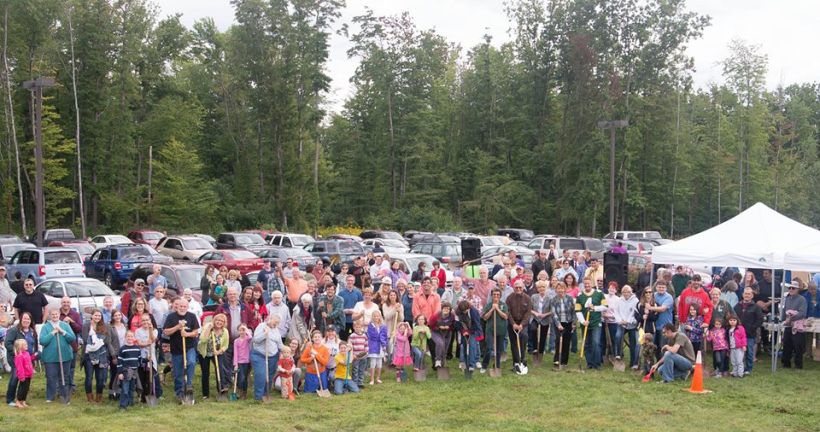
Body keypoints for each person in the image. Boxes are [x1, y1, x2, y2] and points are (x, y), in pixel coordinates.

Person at [162, 298, 200, 402]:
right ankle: (179, 393)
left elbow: (196, 332)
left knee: (191, 362)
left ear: (187, 307)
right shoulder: (171, 317)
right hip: (176, 348)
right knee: (178, 372)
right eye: (181, 306)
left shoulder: (191, 316)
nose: (182, 308)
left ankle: (189, 385)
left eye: (185, 306)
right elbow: (166, 332)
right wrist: (178, 327)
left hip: (189, 347)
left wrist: (187, 334)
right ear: (177, 306)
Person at [40, 307, 76, 402]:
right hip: (50, 358)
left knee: (64, 377)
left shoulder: (65, 325)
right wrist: (52, 333)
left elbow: (72, 338)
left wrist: (62, 332)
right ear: (49, 316)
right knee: (51, 377)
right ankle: (50, 396)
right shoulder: (45, 327)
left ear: (59, 315)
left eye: (56, 314)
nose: (55, 316)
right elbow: (42, 341)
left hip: (65, 357)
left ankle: (64, 396)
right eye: (53, 314)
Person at [81, 309, 114, 403]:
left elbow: (107, 341)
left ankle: (99, 397)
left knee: (100, 378)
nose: (97, 317)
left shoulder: (105, 326)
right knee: (89, 377)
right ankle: (90, 397)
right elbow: (85, 339)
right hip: (88, 356)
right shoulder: (86, 326)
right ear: (92, 316)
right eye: (96, 315)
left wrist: (96, 343)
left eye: (99, 316)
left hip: (101, 355)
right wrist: (98, 341)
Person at [5, 312, 36, 407]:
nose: (26, 320)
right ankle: (10, 399)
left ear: (31, 321)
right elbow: (7, 343)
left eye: (28, 319)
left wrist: (35, 354)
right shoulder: (14, 330)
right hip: (16, 359)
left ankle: (21, 398)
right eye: (24, 318)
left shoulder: (32, 331)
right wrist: (17, 352)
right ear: (21, 319)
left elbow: (34, 343)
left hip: (27, 359)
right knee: (15, 377)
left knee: (26, 379)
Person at [252, 314, 284, 401]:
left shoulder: (276, 329)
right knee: (261, 375)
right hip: (260, 355)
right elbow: (256, 340)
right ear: (270, 319)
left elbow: (279, 343)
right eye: (275, 322)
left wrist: (285, 350)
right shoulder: (261, 326)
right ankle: (258, 396)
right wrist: (265, 334)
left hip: (273, 356)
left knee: (269, 376)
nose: (276, 324)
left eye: (278, 323)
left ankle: (266, 394)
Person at [197, 313, 230, 399]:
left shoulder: (225, 331)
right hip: (204, 352)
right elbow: (203, 340)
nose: (219, 322)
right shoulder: (208, 327)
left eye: (221, 321)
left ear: (224, 323)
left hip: (217, 353)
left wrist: (219, 351)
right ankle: (205, 394)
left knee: (220, 370)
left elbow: (225, 345)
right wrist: (209, 329)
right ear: (214, 320)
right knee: (205, 373)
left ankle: (221, 389)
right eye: (217, 320)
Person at [576, 279, 606, 369]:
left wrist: (595, 308)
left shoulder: (599, 293)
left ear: (592, 284)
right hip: (585, 323)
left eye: (588, 283)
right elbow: (577, 310)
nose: (587, 285)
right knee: (587, 343)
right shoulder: (580, 295)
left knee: (596, 342)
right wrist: (582, 321)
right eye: (585, 284)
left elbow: (605, 306)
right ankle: (589, 363)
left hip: (596, 322)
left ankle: (597, 363)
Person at [733, 288, 763, 375]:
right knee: (738, 352)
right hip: (738, 334)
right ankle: (739, 368)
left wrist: (752, 328)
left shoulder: (756, 307)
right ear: (742, 295)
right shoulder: (737, 306)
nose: (747, 295)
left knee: (749, 352)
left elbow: (760, 319)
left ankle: (748, 369)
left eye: (749, 294)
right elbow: (733, 317)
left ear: (752, 296)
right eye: (745, 293)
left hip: (750, 333)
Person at [506, 280, 532, 374]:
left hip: (523, 323)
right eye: (516, 287)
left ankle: (523, 360)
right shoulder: (509, 298)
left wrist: (521, 324)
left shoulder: (527, 298)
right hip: (512, 323)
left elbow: (528, 313)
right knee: (514, 343)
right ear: (513, 288)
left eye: (520, 287)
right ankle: (516, 362)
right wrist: (513, 324)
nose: (518, 289)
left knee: (523, 338)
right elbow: (508, 312)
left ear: (523, 288)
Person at [134, 313, 161, 402]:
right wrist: (146, 343)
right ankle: (143, 396)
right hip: (142, 356)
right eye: (143, 320)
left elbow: (153, 339)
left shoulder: (155, 330)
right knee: (142, 376)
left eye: (147, 320)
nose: (145, 322)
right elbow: (138, 343)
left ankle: (153, 394)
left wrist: (150, 330)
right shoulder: (138, 331)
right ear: (141, 322)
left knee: (151, 375)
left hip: (151, 356)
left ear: (150, 320)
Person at [780, 282, 807, 369]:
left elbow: (802, 313)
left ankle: (798, 365)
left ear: (798, 289)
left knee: (798, 346)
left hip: (798, 326)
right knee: (787, 344)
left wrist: (791, 318)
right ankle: (786, 363)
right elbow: (784, 311)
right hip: (788, 325)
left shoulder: (802, 299)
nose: (791, 289)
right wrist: (782, 319)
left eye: (793, 288)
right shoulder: (787, 299)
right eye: (790, 288)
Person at [550, 282, 575, 367]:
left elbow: (573, 311)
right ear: (556, 290)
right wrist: (558, 324)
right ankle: (557, 360)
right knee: (558, 340)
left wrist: (574, 323)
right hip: (558, 322)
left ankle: (564, 362)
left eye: (562, 288)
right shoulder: (553, 300)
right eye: (558, 288)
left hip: (568, 322)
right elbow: (554, 314)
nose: (560, 290)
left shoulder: (570, 298)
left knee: (566, 342)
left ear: (565, 289)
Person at [615, 285, 639, 369]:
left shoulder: (635, 300)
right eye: (624, 292)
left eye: (627, 292)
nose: (626, 294)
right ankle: (618, 354)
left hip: (631, 324)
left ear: (630, 292)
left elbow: (634, 313)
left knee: (633, 344)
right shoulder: (619, 300)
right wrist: (620, 320)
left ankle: (633, 363)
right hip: (621, 323)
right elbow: (616, 311)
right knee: (618, 336)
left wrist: (628, 321)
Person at [116, 331, 141, 410]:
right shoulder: (122, 349)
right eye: (128, 336)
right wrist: (120, 373)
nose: (130, 338)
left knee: (132, 388)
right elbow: (119, 362)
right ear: (125, 337)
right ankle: (123, 405)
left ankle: (130, 402)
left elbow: (139, 360)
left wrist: (146, 360)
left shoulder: (137, 349)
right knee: (125, 389)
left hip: (134, 372)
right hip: (125, 372)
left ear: (134, 338)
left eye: (131, 336)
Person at [651, 280, 674, 356]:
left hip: (665, 326)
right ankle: (655, 365)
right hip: (654, 325)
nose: (661, 289)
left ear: (666, 288)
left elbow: (663, 309)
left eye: (663, 287)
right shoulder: (653, 295)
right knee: (654, 347)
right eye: (659, 287)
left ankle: (663, 365)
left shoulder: (669, 297)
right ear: (656, 287)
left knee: (663, 347)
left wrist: (650, 308)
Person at [430, 302, 454, 369]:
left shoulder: (452, 316)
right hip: (436, 332)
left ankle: (442, 366)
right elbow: (430, 325)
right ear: (442, 309)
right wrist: (439, 327)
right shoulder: (436, 316)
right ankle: (437, 360)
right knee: (440, 343)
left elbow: (453, 325)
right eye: (445, 308)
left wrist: (449, 327)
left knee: (444, 350)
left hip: (447, 333)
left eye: (448, 309)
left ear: (450, 310)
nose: (446, 310)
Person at [529, 280, 551, 356]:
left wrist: (545, 315)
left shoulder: (549, 298)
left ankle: (541, 350)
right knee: (533, 329)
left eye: (543, 287)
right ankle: (535, 348)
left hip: (545, 318)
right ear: (537, 289)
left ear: (546, 288)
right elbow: (530, 308)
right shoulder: (534, 297)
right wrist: (535, 313)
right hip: (535, 317)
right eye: (539, 288)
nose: (541, 289)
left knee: (543, 335)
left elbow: (552, 310)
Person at [366, 310, 388, 385]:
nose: (376, 317)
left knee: (379, 363)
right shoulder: (370, 325)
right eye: (374, 316)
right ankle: (371, 379)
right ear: (372, 317)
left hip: (381, 347)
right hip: (373, 345)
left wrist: (384, 345)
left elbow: (384, 336)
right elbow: (370, 335)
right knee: (373, 363)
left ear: (380, 317)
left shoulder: (383, 326)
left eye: (377, 316)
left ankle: (378, 378)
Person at [232, 323, 252, 399]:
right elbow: (235, 353)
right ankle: (240, 389)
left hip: (246, 362)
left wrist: (246, 329)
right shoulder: (236, 341)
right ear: (238, 331)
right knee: (241, 377)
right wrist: (235, 364)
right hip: (239, 362)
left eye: (243, 330)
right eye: (240, 330)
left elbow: (250, 337)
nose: (242, 332)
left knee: (245, 378)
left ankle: (244, 392)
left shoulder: (247, 339)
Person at [12, 339, 33, 408]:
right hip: (24, 376)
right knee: (22, 389)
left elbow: (29, 361)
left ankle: (23, 401)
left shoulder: (26, 353)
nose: (27, 346)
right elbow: (19, 368)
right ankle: (18, 401)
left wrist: (34, 356)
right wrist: (21, 376)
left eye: (26, 344)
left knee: (26, 389)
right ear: (20, 347)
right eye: (25, 345)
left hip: (28, 375)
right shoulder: (19, 356)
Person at [348, 321, 368, 388]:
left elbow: (366, 344)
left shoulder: (364, 335)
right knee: (355, 369)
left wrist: (366, 352)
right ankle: (355, 382)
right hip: (356, 356)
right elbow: (350, 346)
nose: (358, 328)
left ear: (361, 328)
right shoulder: (352, 336)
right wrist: (353, 354)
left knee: (361, 369)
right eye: (356, 327)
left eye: (359, 327)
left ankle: (360, 382)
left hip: (363, 355)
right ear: (354, 327)